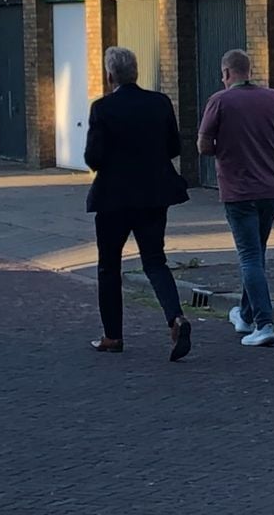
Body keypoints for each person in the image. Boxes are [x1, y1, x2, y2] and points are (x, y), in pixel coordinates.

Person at [84, 46, 192, 361]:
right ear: (136, 73)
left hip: (113, 199)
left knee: (109, 266)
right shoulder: (160, 103)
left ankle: (112, 336)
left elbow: (94, 157)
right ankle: (176, 318)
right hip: (154, 195)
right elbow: (174, 147)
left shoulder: (102, 108)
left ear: (110, 76)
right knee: (155, 260)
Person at [198, 49, 274, 347]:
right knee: (257, 252)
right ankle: (245, 315)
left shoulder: (220, 101)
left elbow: (203, 145)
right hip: (271, 189)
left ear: (227, 73)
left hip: (239, 190)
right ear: (248, 70)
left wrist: (227, 147)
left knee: (250, 256)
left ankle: (264, 324)